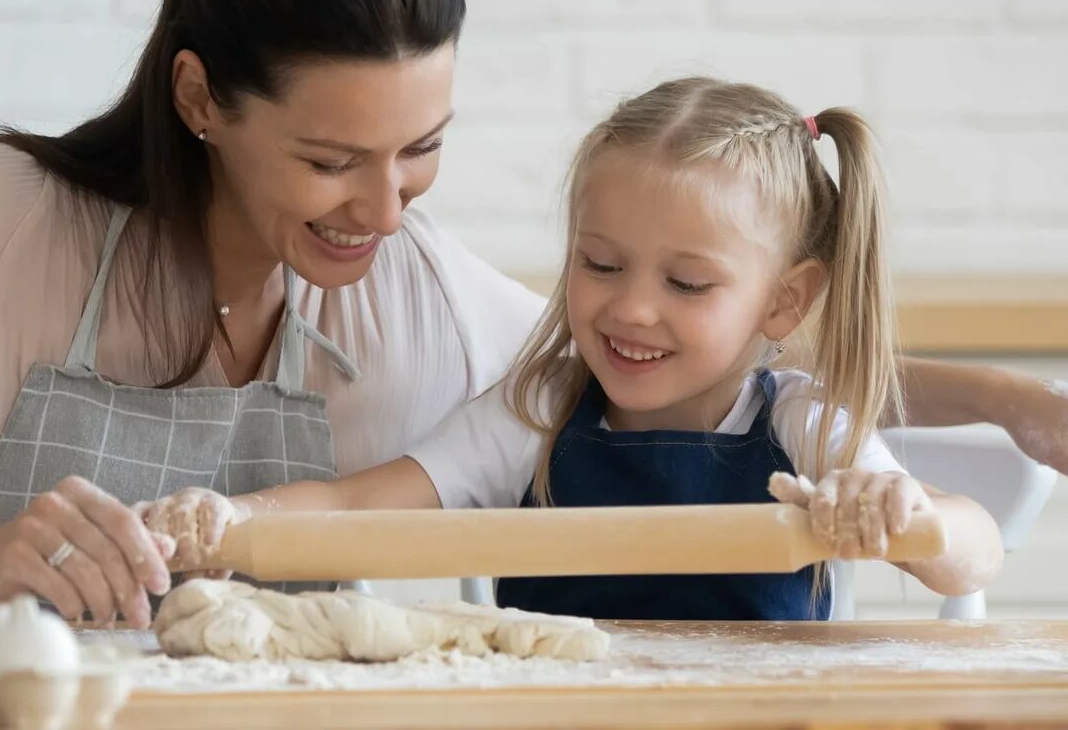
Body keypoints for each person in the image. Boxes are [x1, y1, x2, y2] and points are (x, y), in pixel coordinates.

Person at [0, 0, 1056, 624]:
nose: (386, 212)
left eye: (421, 151)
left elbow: (702, 367)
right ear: (198, 101)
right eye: (331, 161)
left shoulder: (415, 283)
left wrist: (1004, 404)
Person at [146, 78, 1003, 620]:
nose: (630, 307)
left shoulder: (806, 424)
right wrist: (234, 520)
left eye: (687, 284)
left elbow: (972, 552)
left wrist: (905, 517)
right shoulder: (535, 415)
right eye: (600, 263)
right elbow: (356, 508)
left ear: (784, 300)